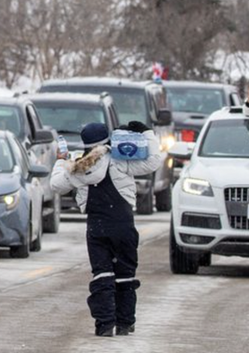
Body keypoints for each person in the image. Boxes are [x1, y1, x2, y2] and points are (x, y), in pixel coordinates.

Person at [50, 121, 167, 337]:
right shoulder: (120, 160)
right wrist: (147, 133)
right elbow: (153, 161)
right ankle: (125, 323)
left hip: (97, 227)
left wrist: (60, 161)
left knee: (102, 275)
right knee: (125, 274)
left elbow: (56, 185)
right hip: (123, 224)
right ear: (108, 140)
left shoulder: (79, 167)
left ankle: (104, 324)